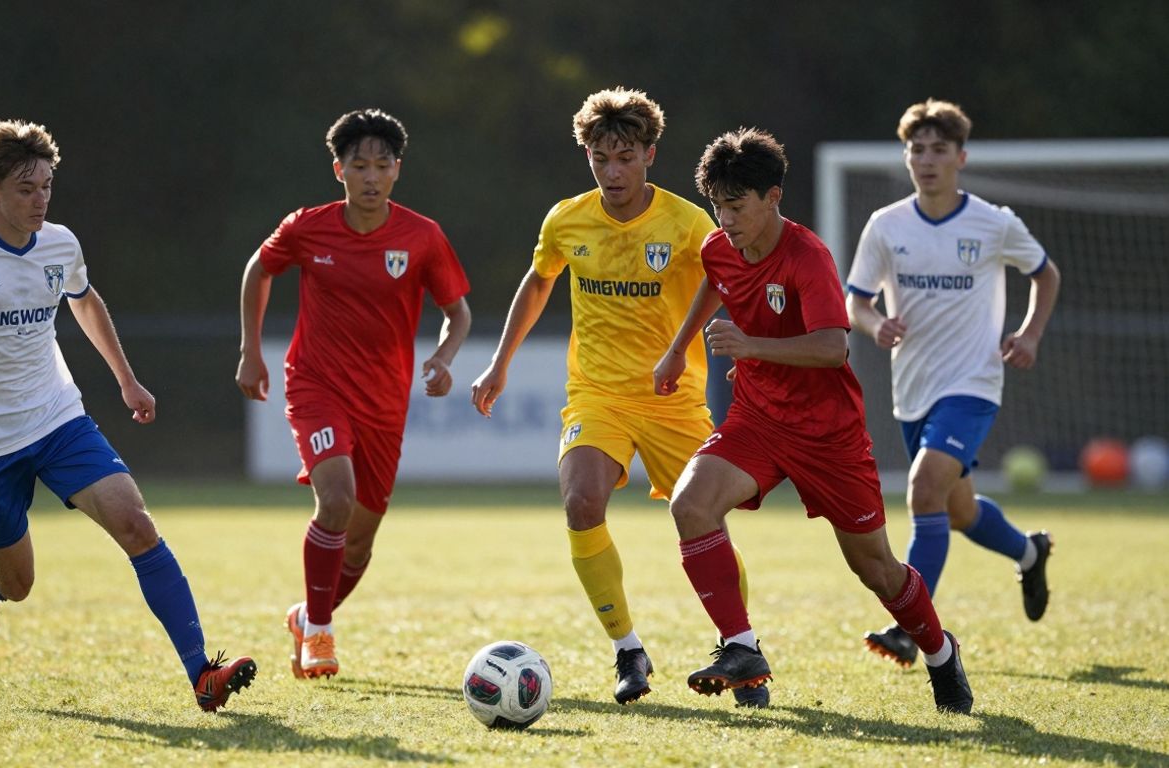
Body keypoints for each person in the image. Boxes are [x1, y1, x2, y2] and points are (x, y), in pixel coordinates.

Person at [0, 120, 254, 712]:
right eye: (25, 188)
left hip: (57, 419)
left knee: (137, 524)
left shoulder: (60, 243)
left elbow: (85, 299)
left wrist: (126, 380)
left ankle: (201, 673)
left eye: (47, 186)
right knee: (17, 585)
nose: (40, 200)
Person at [654, 126, 974, 713]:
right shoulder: (717, 246)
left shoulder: (808, 257)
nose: (725, 218)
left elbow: (832, 347)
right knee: (690, 504)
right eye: (717, 205)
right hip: (757, 418)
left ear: (773, 198)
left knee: (876, 570)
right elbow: (715, 281)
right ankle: (742, 649)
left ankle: (939, 653)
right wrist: (679, 348)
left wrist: (750, 346)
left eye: (737, 205)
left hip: (828, 434)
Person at [471, 87, 759, 707]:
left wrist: (683, 346)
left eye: (625, 157)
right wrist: (499, 364)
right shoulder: (567, 219)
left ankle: (743, 647)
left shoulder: (686, 223)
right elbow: (538, 278)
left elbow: (724, 280)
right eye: (601, 159)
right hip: (596, 395)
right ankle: (627, 649)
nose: (613, 171)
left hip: (673, 400)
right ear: (588, 157)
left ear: (650, 155)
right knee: (580, 502)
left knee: (703, 521)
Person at [236, 109, 471, 680]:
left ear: (397, 171)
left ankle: (307, 616)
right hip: (316, 384)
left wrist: (442, 358)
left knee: (358, 546)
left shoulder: (422, 237)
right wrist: (250, 349)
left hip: (385, 402)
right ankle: (319, 634)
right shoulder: (306, 227)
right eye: (359, 165)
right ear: (338, 169)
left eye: (381, 165)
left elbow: (456, 312)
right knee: (335, 500)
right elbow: (259, 270)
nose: (370, 175)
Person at [846, 99, 1061, 667]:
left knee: (922, 489)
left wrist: (1029, 334)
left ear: (960, 157)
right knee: (957, 510)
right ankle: (1029, 552)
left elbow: (1045, 274)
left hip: (973, 383)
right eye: (918, 149)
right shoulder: (886, 225)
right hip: (911, 389)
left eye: (939, 149)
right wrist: (875, 323)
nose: (927, 159)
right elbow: (857, 301)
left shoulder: (993, 222)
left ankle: (910, 626)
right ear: (907, 157)